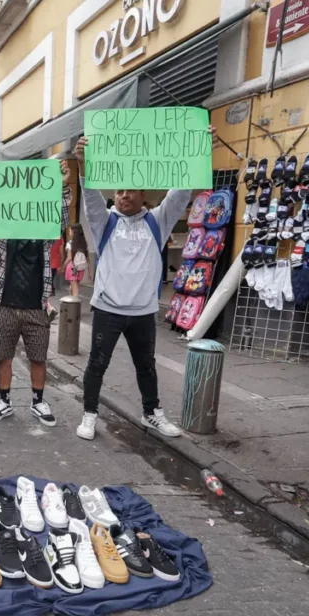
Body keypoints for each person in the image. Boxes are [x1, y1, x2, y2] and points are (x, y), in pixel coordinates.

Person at [72, 130, 215, 441]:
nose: (124, 195)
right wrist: (83, 165)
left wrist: (199, 151)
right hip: (108, 310)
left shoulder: (157, 221)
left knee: (146, 366)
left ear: (143, 195)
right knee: (97, 364)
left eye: (131, 191)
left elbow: (179, 194)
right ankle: (90, 414)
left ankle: (151, 413)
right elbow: (91, 197)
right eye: (120, 191)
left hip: (143, 312)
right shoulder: (104, 221)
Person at [0, 158, 72, 428]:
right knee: (4, 356)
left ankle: (38, 402)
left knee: (39, 358)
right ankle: (4, 401)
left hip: (37, 308)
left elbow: (61, 219)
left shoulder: (44, 233)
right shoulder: (3, 231)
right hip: (6, 306)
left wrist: (63, 187)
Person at [64, 224, 88, 298]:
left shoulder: (70, 243)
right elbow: (87, 258)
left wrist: (63, 266)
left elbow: (69, 258)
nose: (69, 233)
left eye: (70, 231)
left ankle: (75, 303)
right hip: (81, 268)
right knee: (74, 286)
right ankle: (72, 300)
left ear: (73, 232)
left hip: (72, 268)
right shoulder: (84, 243)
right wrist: (90, 272)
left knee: (75, 291)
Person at [50, 231, 65, 297]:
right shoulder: (59, 237)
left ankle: (51, 290)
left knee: (47, 278)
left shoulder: (44, 236)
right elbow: (62, 254)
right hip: (55, 262)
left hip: (46, 260)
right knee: (51, 278)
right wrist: (60, 266)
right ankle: (51, 290)